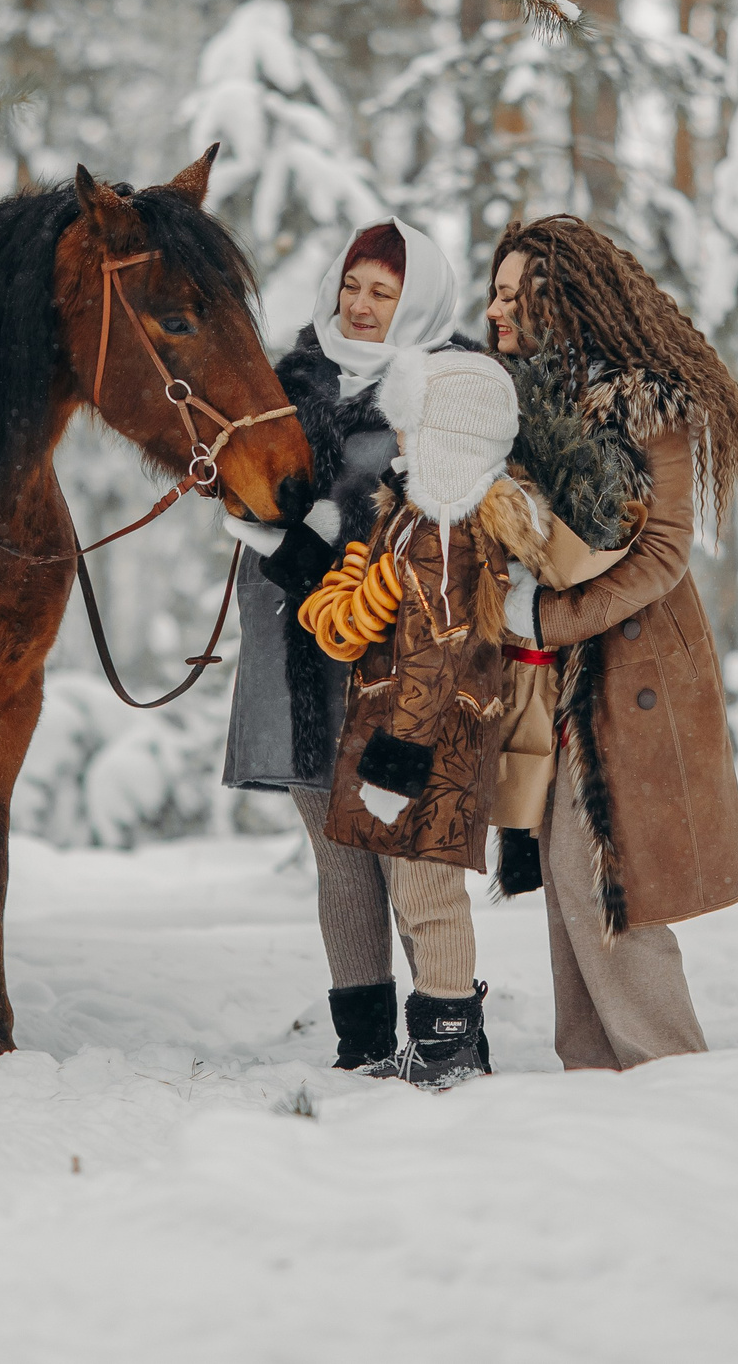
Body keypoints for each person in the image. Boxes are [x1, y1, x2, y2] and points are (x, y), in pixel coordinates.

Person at [485, 215, 738, 1071]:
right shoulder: (523, 400)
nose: (493, 310)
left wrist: (545, 619)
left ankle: (666, 1067)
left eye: (508, 293)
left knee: (610, 877)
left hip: (631, 662)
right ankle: (596, 1076)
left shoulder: (646, 399)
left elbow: (663, 553)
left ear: (553, 300)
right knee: (571, 875)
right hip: (557, 675)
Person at [221, 219, 462, 1071]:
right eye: (352, 285)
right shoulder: (284, 380)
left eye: (383, 292)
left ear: (418, 301)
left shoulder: (446, 386)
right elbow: (253, 489)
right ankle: (362, 1047)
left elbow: (436, 524)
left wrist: (313, 538)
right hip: (294, 647)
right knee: (337, 855)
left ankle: (445, 1037)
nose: (360, 306)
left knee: (403, 848)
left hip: (394, 653)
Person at [311, 346, 551, 1087]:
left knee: (428, 893)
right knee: (422, 892)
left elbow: (440, 655)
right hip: (416, 737)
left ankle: (448, 1039)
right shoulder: (420, 520)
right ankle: (449, 1038)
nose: (403, 442)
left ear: (448, 437)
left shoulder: (445, 537)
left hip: (430, 747)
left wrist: (398, 757)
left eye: (414, 429)